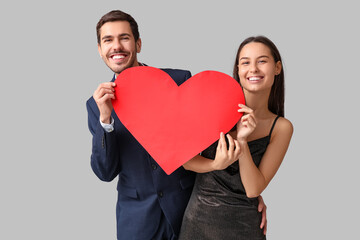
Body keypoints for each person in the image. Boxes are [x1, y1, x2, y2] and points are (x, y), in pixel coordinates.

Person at [86, 10, 267, 239]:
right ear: (100, 50)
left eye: (124, 37)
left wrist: (245, 195)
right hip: (137, 222)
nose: (116, 46)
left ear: (138, 44)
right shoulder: (96, 106)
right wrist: (106, 120)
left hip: (191, 211)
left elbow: (213, 141)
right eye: (108, 40)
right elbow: (105, 172)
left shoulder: (179, 81)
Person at [179, 36, 293, 239]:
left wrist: (242, 141)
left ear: (277, 68)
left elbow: (253, 189)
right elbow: (186, 161)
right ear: (238, 70)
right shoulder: (214, 106)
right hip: (197, 222)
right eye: (246, 62)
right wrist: (215, 164)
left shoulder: (281, 128)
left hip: (245, 227)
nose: (254, 69)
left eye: (262, 61)